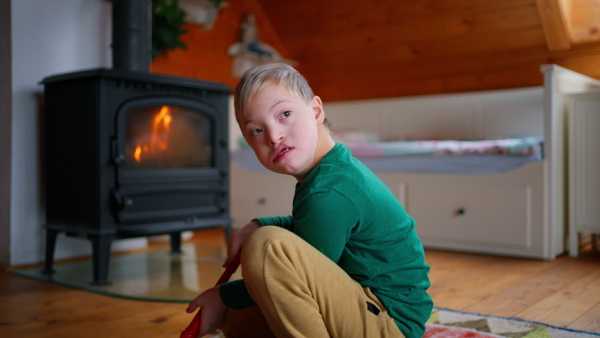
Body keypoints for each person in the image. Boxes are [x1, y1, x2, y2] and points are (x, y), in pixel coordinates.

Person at [186, 63, 433, 338]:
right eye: (256, 130)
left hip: (388, 323)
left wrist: (223, 296)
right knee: (238, 319)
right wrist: (259, 222)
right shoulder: (330, 171)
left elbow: (294, 271)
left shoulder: (328, 192)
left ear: (315, 111)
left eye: (285, 114)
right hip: (364, 306)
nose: (273, 136)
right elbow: (310, 232)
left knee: (267, 247)